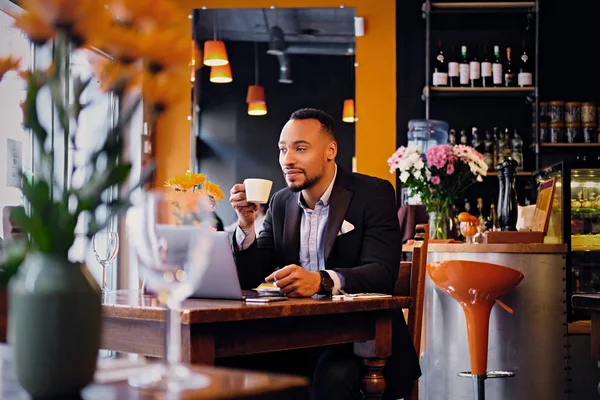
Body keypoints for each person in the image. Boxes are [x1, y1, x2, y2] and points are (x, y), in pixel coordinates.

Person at [228, 108, 420, 399]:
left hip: (360, 339)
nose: (287, 160)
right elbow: (253, 274)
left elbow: (382, 273)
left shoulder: (374, 193)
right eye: (282, 150)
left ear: (331, 151)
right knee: (230, 365)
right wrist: (245, 225)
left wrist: (320, 281)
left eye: (300, 149)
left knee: (331, 379)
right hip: (296, 336)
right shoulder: (281, 203)